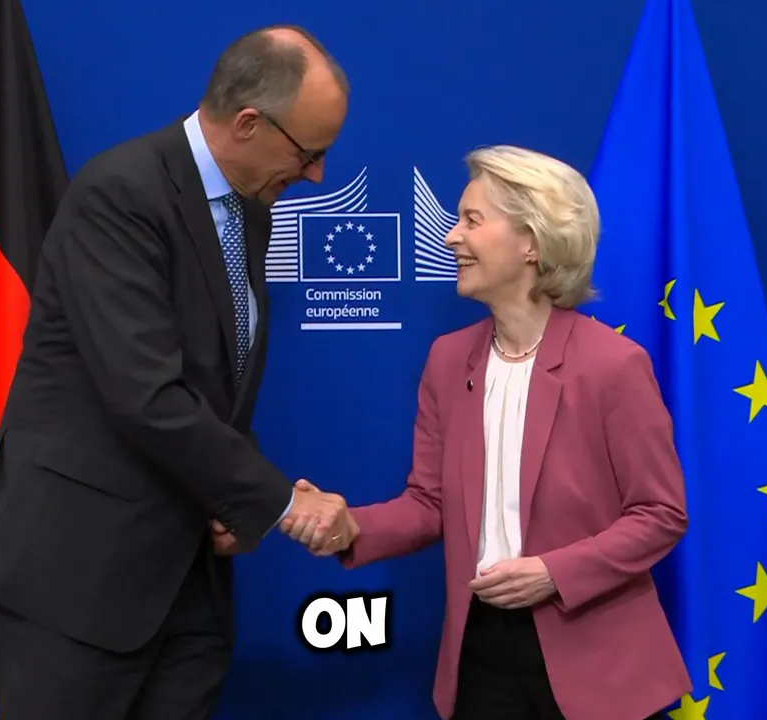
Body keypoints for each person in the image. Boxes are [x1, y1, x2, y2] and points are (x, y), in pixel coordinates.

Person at [0, 25, 354, 720]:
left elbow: (213, 391)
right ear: (249, 123)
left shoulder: (251, 209)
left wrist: (235, 496)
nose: (316, 174)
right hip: (76, 580)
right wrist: (281, 503)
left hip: (186, 582)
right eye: (308, 152)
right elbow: (146, 394)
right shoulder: (121, 194)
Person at [287, 145, 692, 720]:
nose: (451, 237)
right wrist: (350, 525)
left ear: (532, 241)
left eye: (471, 221)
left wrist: (554, 573)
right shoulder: (449, 361)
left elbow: (660, 513)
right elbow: (430, 505)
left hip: (596, 663)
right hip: (481, 658)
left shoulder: (612, 365)